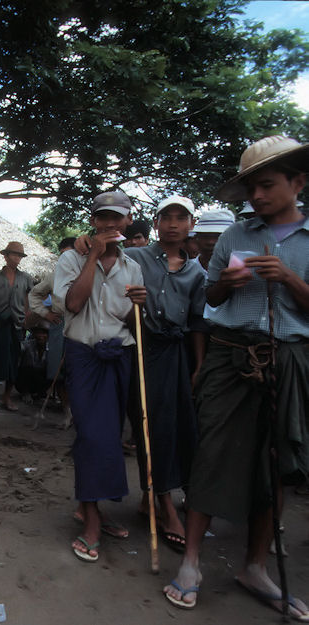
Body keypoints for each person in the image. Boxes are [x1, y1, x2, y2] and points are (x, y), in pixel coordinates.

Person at [164, 136, 309, 618]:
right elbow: (212, 300)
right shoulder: (234, 236)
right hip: (229, 357)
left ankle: (255, 566)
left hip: (287, 356)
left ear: (297, 182)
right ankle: (190, 562)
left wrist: (289, 280)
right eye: (251, 190)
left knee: (276, 462)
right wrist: (227, 281)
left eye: (266, 186)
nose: (257, 197)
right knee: (211, 454)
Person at [53, 190, 146, 563]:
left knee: (109, 438)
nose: (109, 224)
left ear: (126, 221)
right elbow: (73, 305)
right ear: (93, 221)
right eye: (102, 217)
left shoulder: (133, 267)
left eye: (117, 218)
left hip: (119, 356)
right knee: (91, 436)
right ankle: (90, 521)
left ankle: (91, 509)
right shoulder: (70, 259)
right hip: (85, 356)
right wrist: (91, 255)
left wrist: (141, 305)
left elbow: (129, 320)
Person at [124, 195, 206, 554]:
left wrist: (198, 366)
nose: (173, 224)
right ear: (156, 223)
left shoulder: (197, 272)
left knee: (177, 428)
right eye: (166, 217)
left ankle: (151, 499)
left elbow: (197, 322)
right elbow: (104, 262)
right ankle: (166, 506)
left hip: (177, 354)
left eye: (181, 217)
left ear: (191, 224)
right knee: (149, 426)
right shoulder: (136, 257)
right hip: (142, 349)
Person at [27, 237, 76, 420]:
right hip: (59, 324)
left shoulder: (88, 272)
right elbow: (35, 294)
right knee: (57, 371)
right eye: (62, 255)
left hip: (82, 325)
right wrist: (46, 314)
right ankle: (67, 412)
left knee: (78, 371)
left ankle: (80, 411)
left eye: (69, 254)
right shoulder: (55, 276)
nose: (66, 259)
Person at [0, 241, 32, 411]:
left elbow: (29, 299)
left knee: (13, 362)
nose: (17, 258)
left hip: (17, 325)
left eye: (19, 255)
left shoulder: (26, 278)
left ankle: (6, 397)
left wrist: (27, 314)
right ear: (5, 256)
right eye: (14, 255)